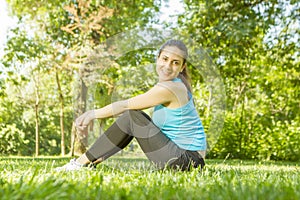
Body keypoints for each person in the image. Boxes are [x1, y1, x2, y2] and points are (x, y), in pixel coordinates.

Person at [55, 39, 206, 172]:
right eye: (165, 59)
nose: (167, 66)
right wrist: (104, 152)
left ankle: (79, 163)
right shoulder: (174, 86)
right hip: (186, 158)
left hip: (187, 160)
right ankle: (90, 162)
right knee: (136, 119)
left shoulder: (170, 88)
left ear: (182, 67)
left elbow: (125, 106)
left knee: (132, 116)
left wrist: (92, 114)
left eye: (175, 62)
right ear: (158, 58)